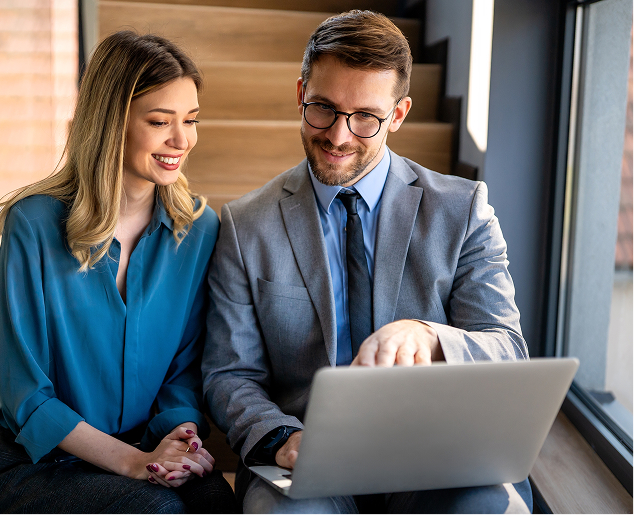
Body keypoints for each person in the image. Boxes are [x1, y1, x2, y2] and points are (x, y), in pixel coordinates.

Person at [202, 10, 532, 514]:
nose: (338, 136)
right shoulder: (245, 226)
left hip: (436, 453)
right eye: (323, 108)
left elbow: (507, 347)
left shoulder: (463, 210)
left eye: (365, 118)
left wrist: (429, 336)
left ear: (398, 115)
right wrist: (281, 438)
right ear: (300, 95)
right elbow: (230, 374)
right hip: (304, 462)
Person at [0, 31, 238, 514]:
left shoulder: (197, 230)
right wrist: (136, 463)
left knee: (214, 500)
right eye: (160, 121)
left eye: (191, 120)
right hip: (33, 463)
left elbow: (183, 371)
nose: (182, 140)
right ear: (113, 123)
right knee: (157, 509)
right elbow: (27, 393)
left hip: (143, 444)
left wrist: (182, 440)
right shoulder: (34, 224)